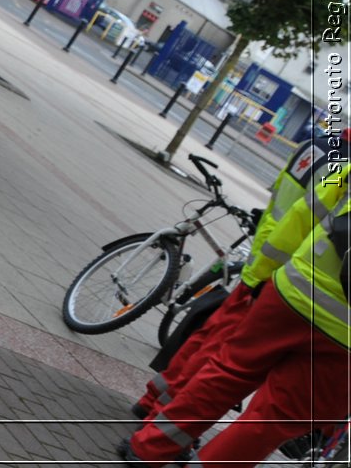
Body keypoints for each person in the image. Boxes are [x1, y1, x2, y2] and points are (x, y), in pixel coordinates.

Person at [120, 160, 350, 467]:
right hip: (343, 341)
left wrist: (260, 275)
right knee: (273, 421)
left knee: (226, 375)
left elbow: (301, 217)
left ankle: (148, 450)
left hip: (291, 294)